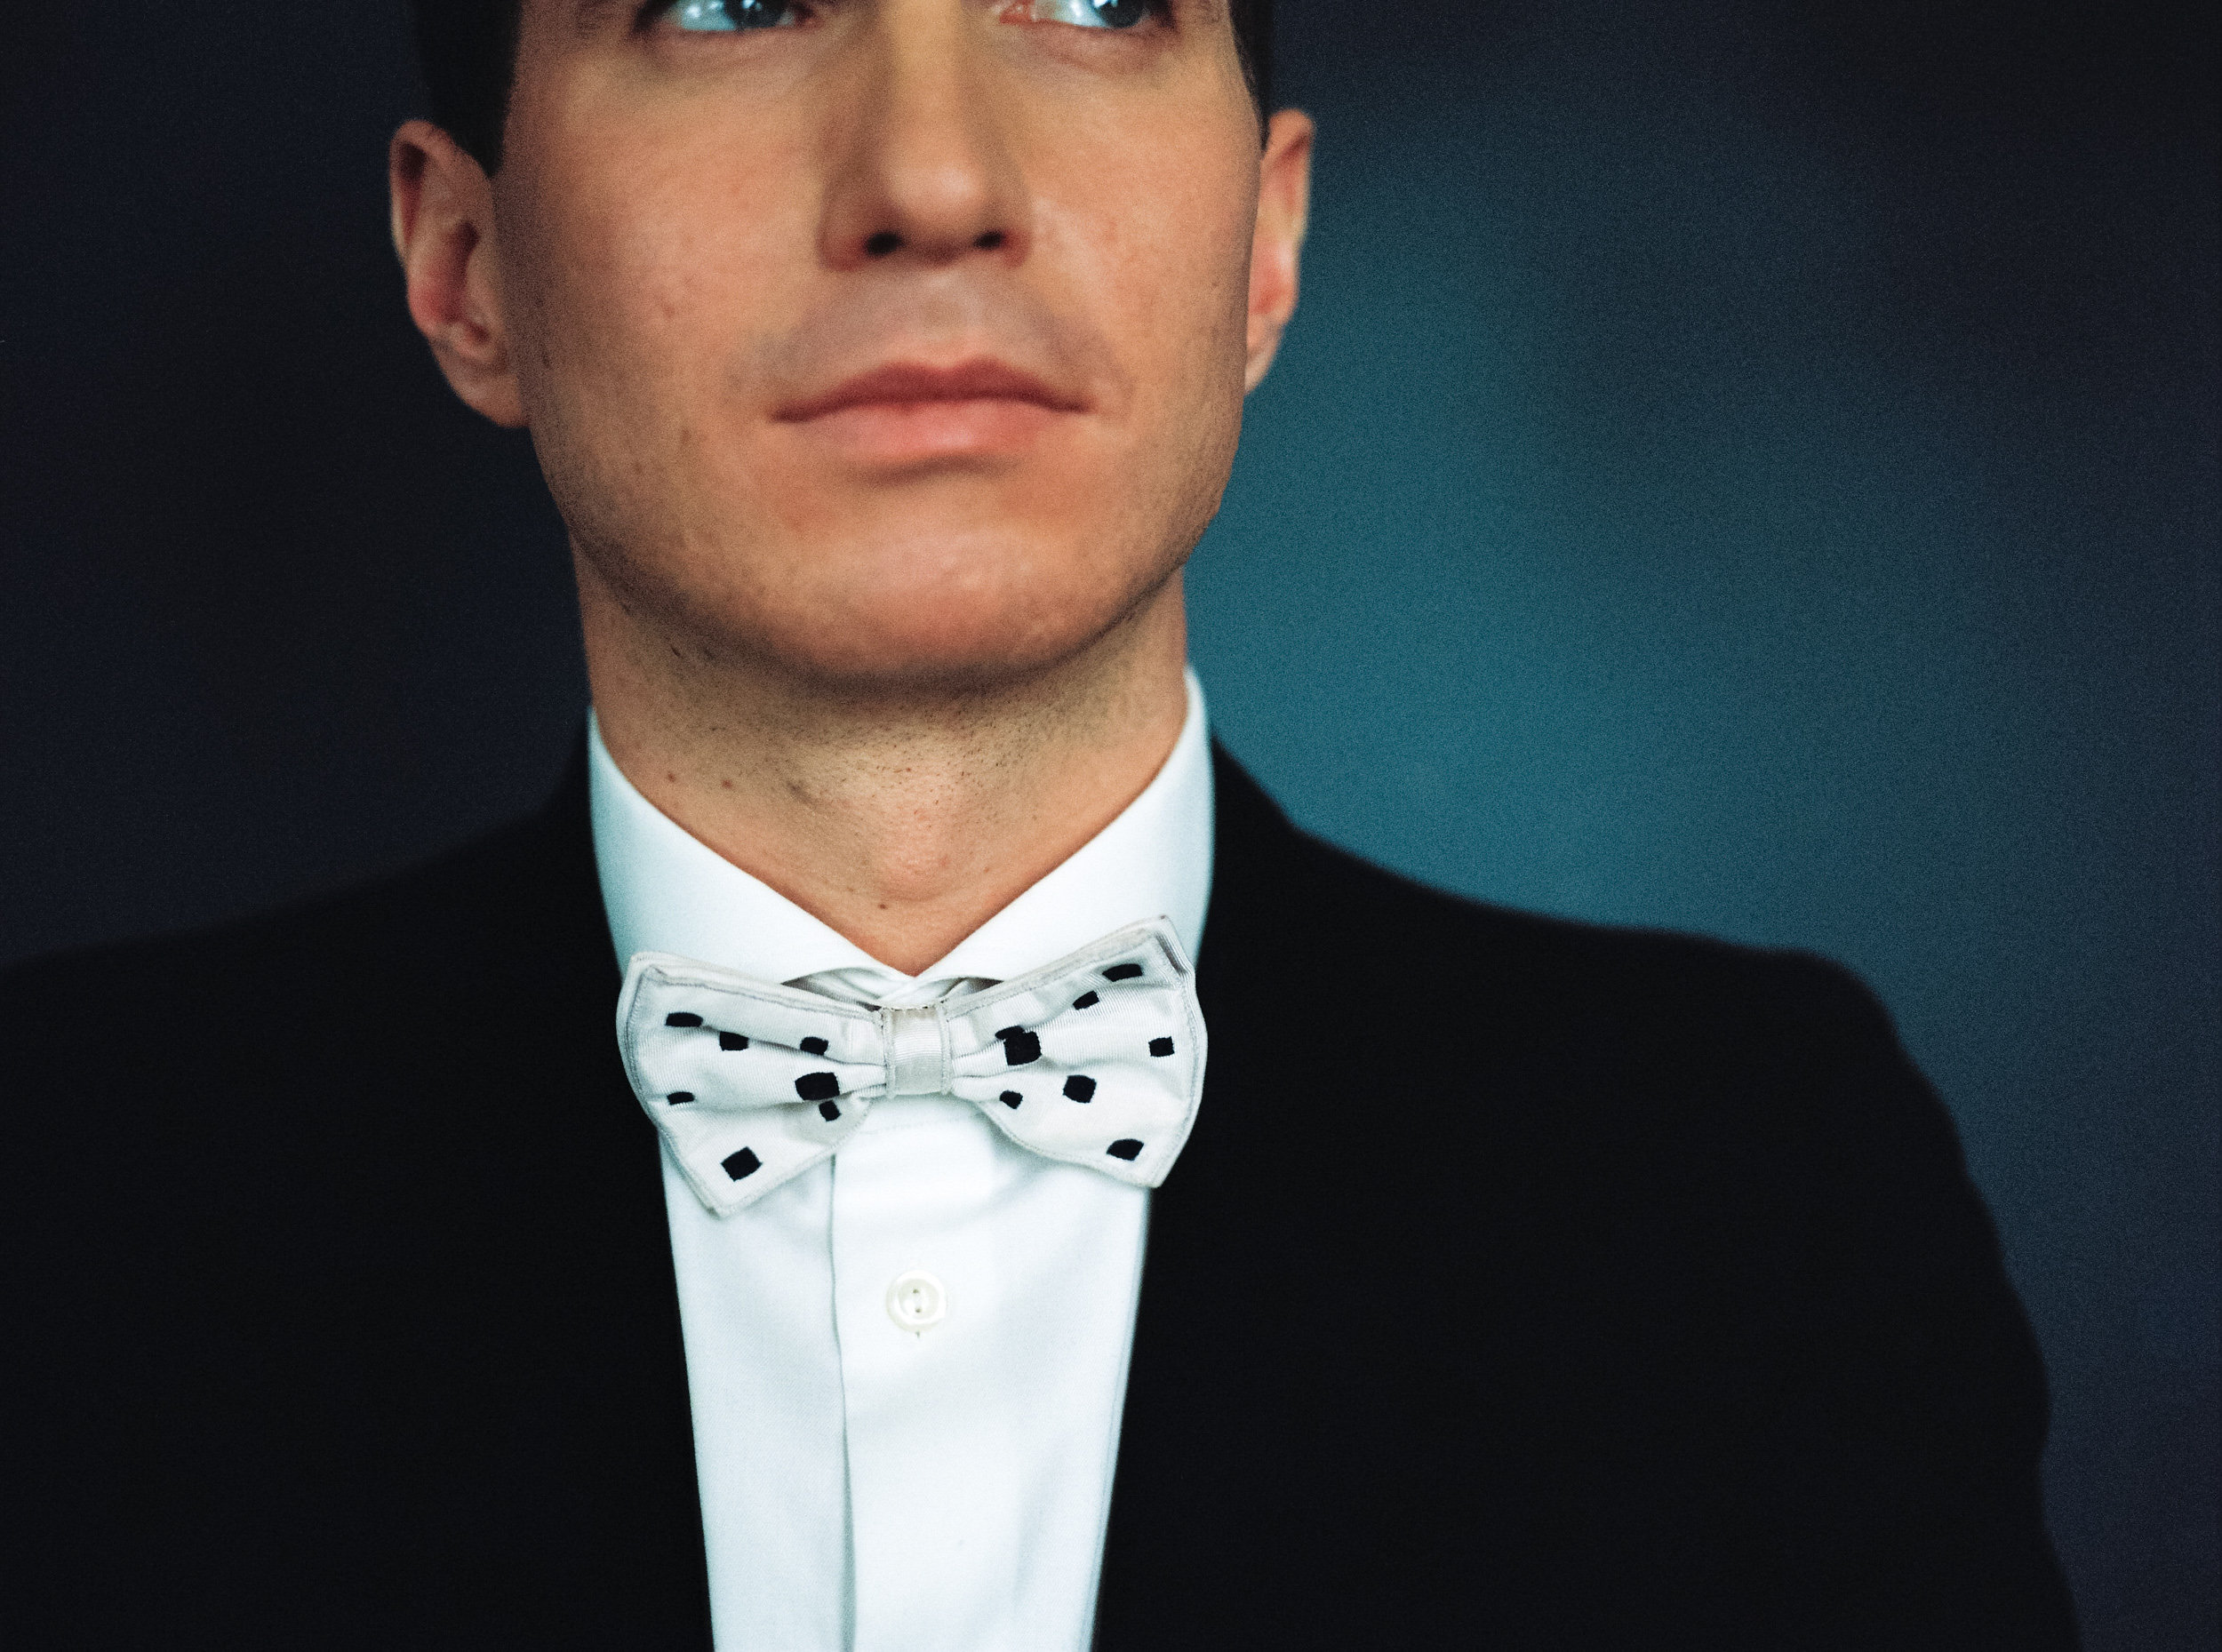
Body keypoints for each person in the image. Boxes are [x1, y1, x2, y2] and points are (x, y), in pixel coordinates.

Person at [1, 0, 2079, 1645]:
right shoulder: (63, 1197)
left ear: (1264, 246)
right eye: (731, 2)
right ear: (464, 267)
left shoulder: (1757, 1193)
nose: (931, 185)